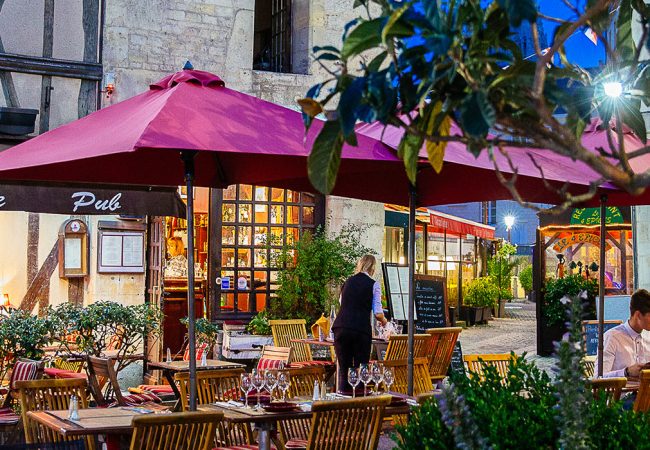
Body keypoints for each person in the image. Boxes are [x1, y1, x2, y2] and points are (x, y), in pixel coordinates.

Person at [332, 254, 388, 392]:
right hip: (360, 330)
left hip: (341, 327)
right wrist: (385, 321)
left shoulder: (348, 281)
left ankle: (343, 403)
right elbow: (378, 313)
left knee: (344, 368)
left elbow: (342, 303)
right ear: (373, 268)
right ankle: (359, 404)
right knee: (361, 368)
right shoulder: (373, 284)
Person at [599, 289, 650, 378]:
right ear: (638, 315)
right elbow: (598, 377)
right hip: (620, 391)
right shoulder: (612, 337)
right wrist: (626, 372)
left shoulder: (647, 339)